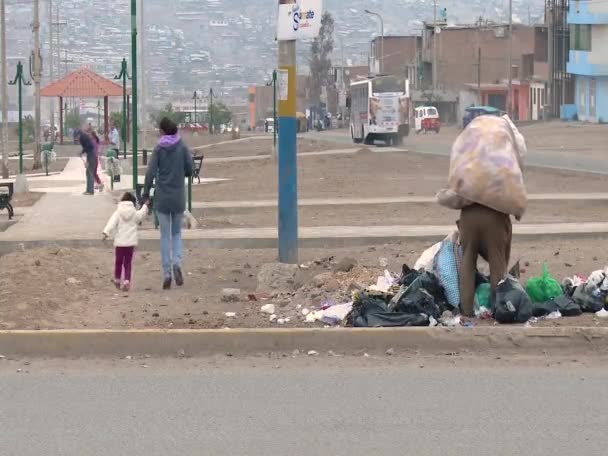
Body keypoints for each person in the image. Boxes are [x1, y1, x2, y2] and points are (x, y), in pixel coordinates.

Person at [142, 117, 193, 290]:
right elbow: (190, 170)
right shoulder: (182, 146)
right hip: (178, 196)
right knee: (176, 233)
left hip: (162, 197)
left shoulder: (158, 148)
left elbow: (150, 173)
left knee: (164, 236)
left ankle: (167, 273)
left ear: (163, 131)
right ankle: (177, 263)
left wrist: (145, 193)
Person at [458, 205, 512, 317]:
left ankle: (466, 310)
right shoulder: (500, 189)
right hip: (495, 220)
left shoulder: (471, 189)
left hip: (468, 218)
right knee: (497, 265)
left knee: (467, 261)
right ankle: (498, 308)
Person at [102, 192, 148, 292]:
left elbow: (112, 222)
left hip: (120, 242)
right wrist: (145, 205)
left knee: (118, 262)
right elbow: (141, 215)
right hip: (130, 243)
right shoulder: (134, 212)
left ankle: (117, 279)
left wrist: (106, 232)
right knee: (127, 263)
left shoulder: (118, 212)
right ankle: (127, 280)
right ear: (132, 202)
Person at [77, 129, 96, 195]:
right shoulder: (85, 137)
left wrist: (81, 152)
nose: (77, 138)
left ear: (79, 135)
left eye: (77, 136)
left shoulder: (83, 137)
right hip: (90, 155)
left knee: (90, 172)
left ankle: (90, 191)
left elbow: (87, 146)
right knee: (88, 172)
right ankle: (88, 190)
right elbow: (87, 146)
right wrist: (82, 152)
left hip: (91, 156)